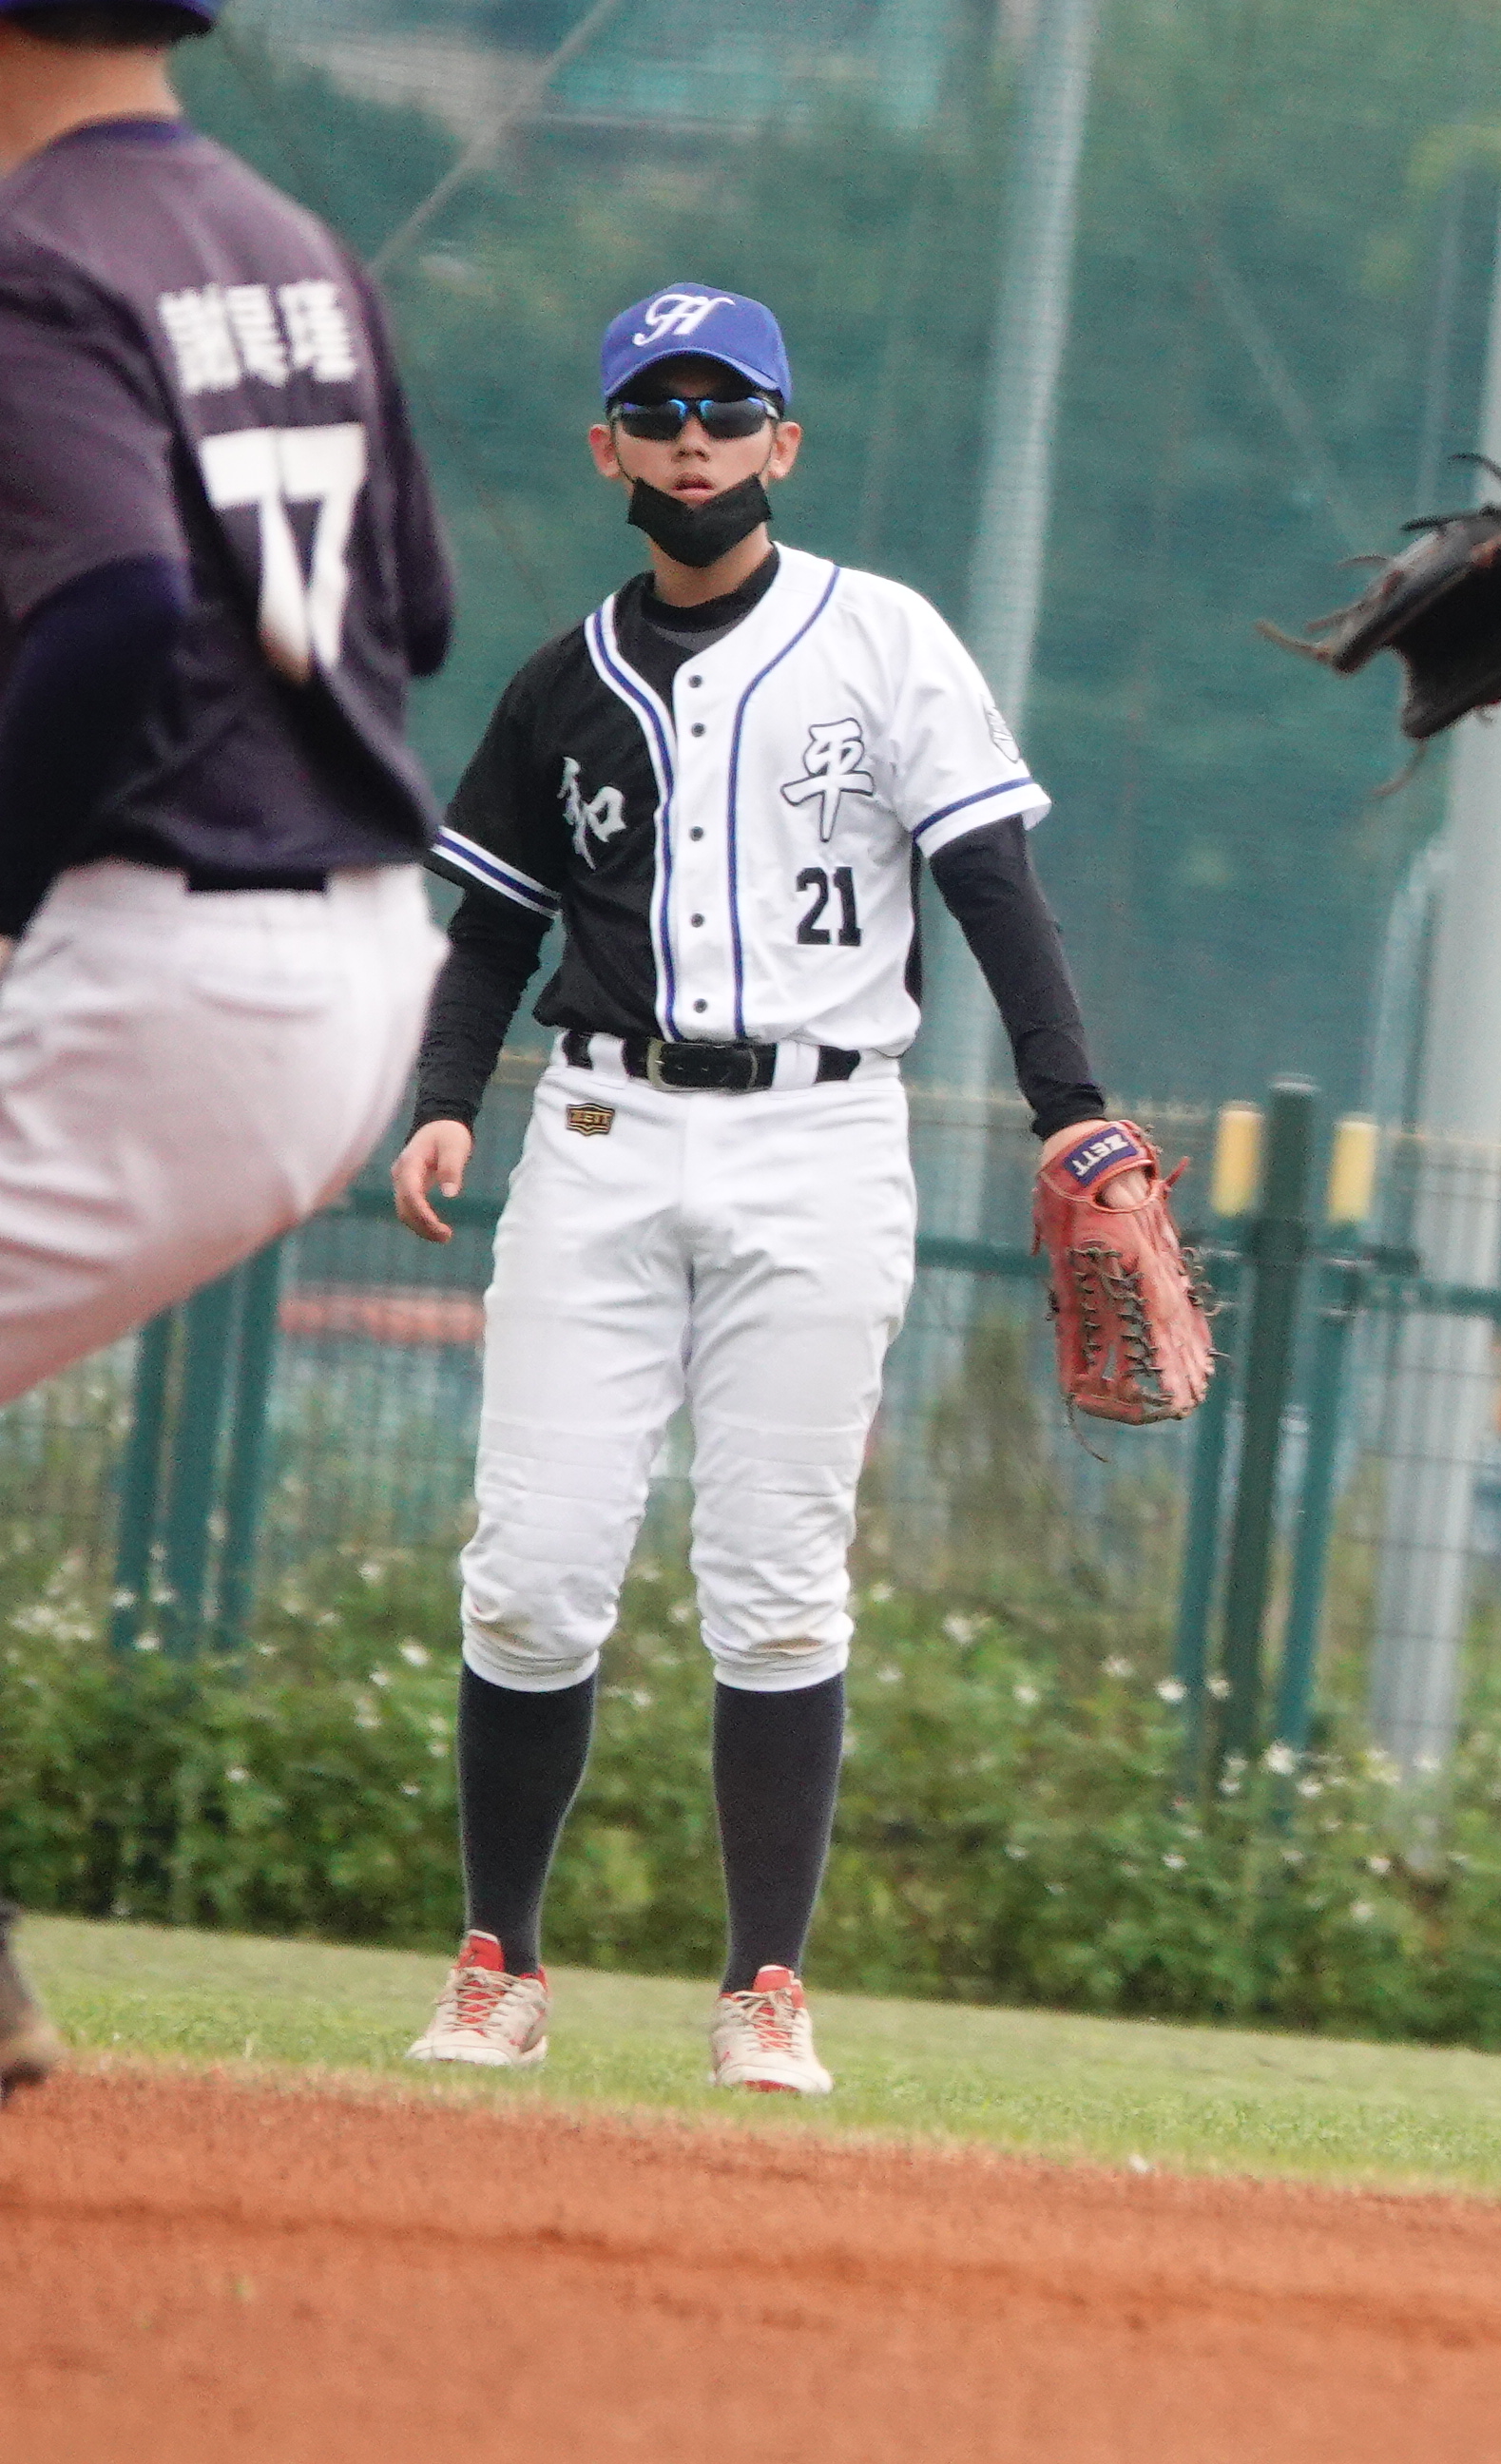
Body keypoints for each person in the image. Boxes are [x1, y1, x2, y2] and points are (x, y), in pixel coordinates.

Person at [388, 283, 1146, 2095]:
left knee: (780, 1578)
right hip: (599, 1134)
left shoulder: (883, 640)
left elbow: (992, 885)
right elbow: (491, 928)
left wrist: (1070, 1108)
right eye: (659, 413)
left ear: (783, 440)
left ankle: (765, 1990)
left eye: (727, 410)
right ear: (610, 450)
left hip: (820, 1137)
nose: (694, 442)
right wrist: (442, 1102)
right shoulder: (561, 683)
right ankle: (498, 1964)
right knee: (533, 1572)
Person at [0, 0, 459, 2102]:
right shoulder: (291, 244)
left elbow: (111, 605)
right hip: (341, 947)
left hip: (173, 955)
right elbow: (413, 611)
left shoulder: (37, 254)